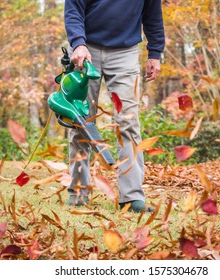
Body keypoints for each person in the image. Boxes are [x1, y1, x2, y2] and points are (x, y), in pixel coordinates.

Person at [64, 0, 165, 212]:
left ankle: (132, 197)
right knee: (81, 121)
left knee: (128, 122)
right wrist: (78, 43)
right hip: (86, 50)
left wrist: (155, 52)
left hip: (125, 52)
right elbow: (73, 9)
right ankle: (79, 192)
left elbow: (153, 14)